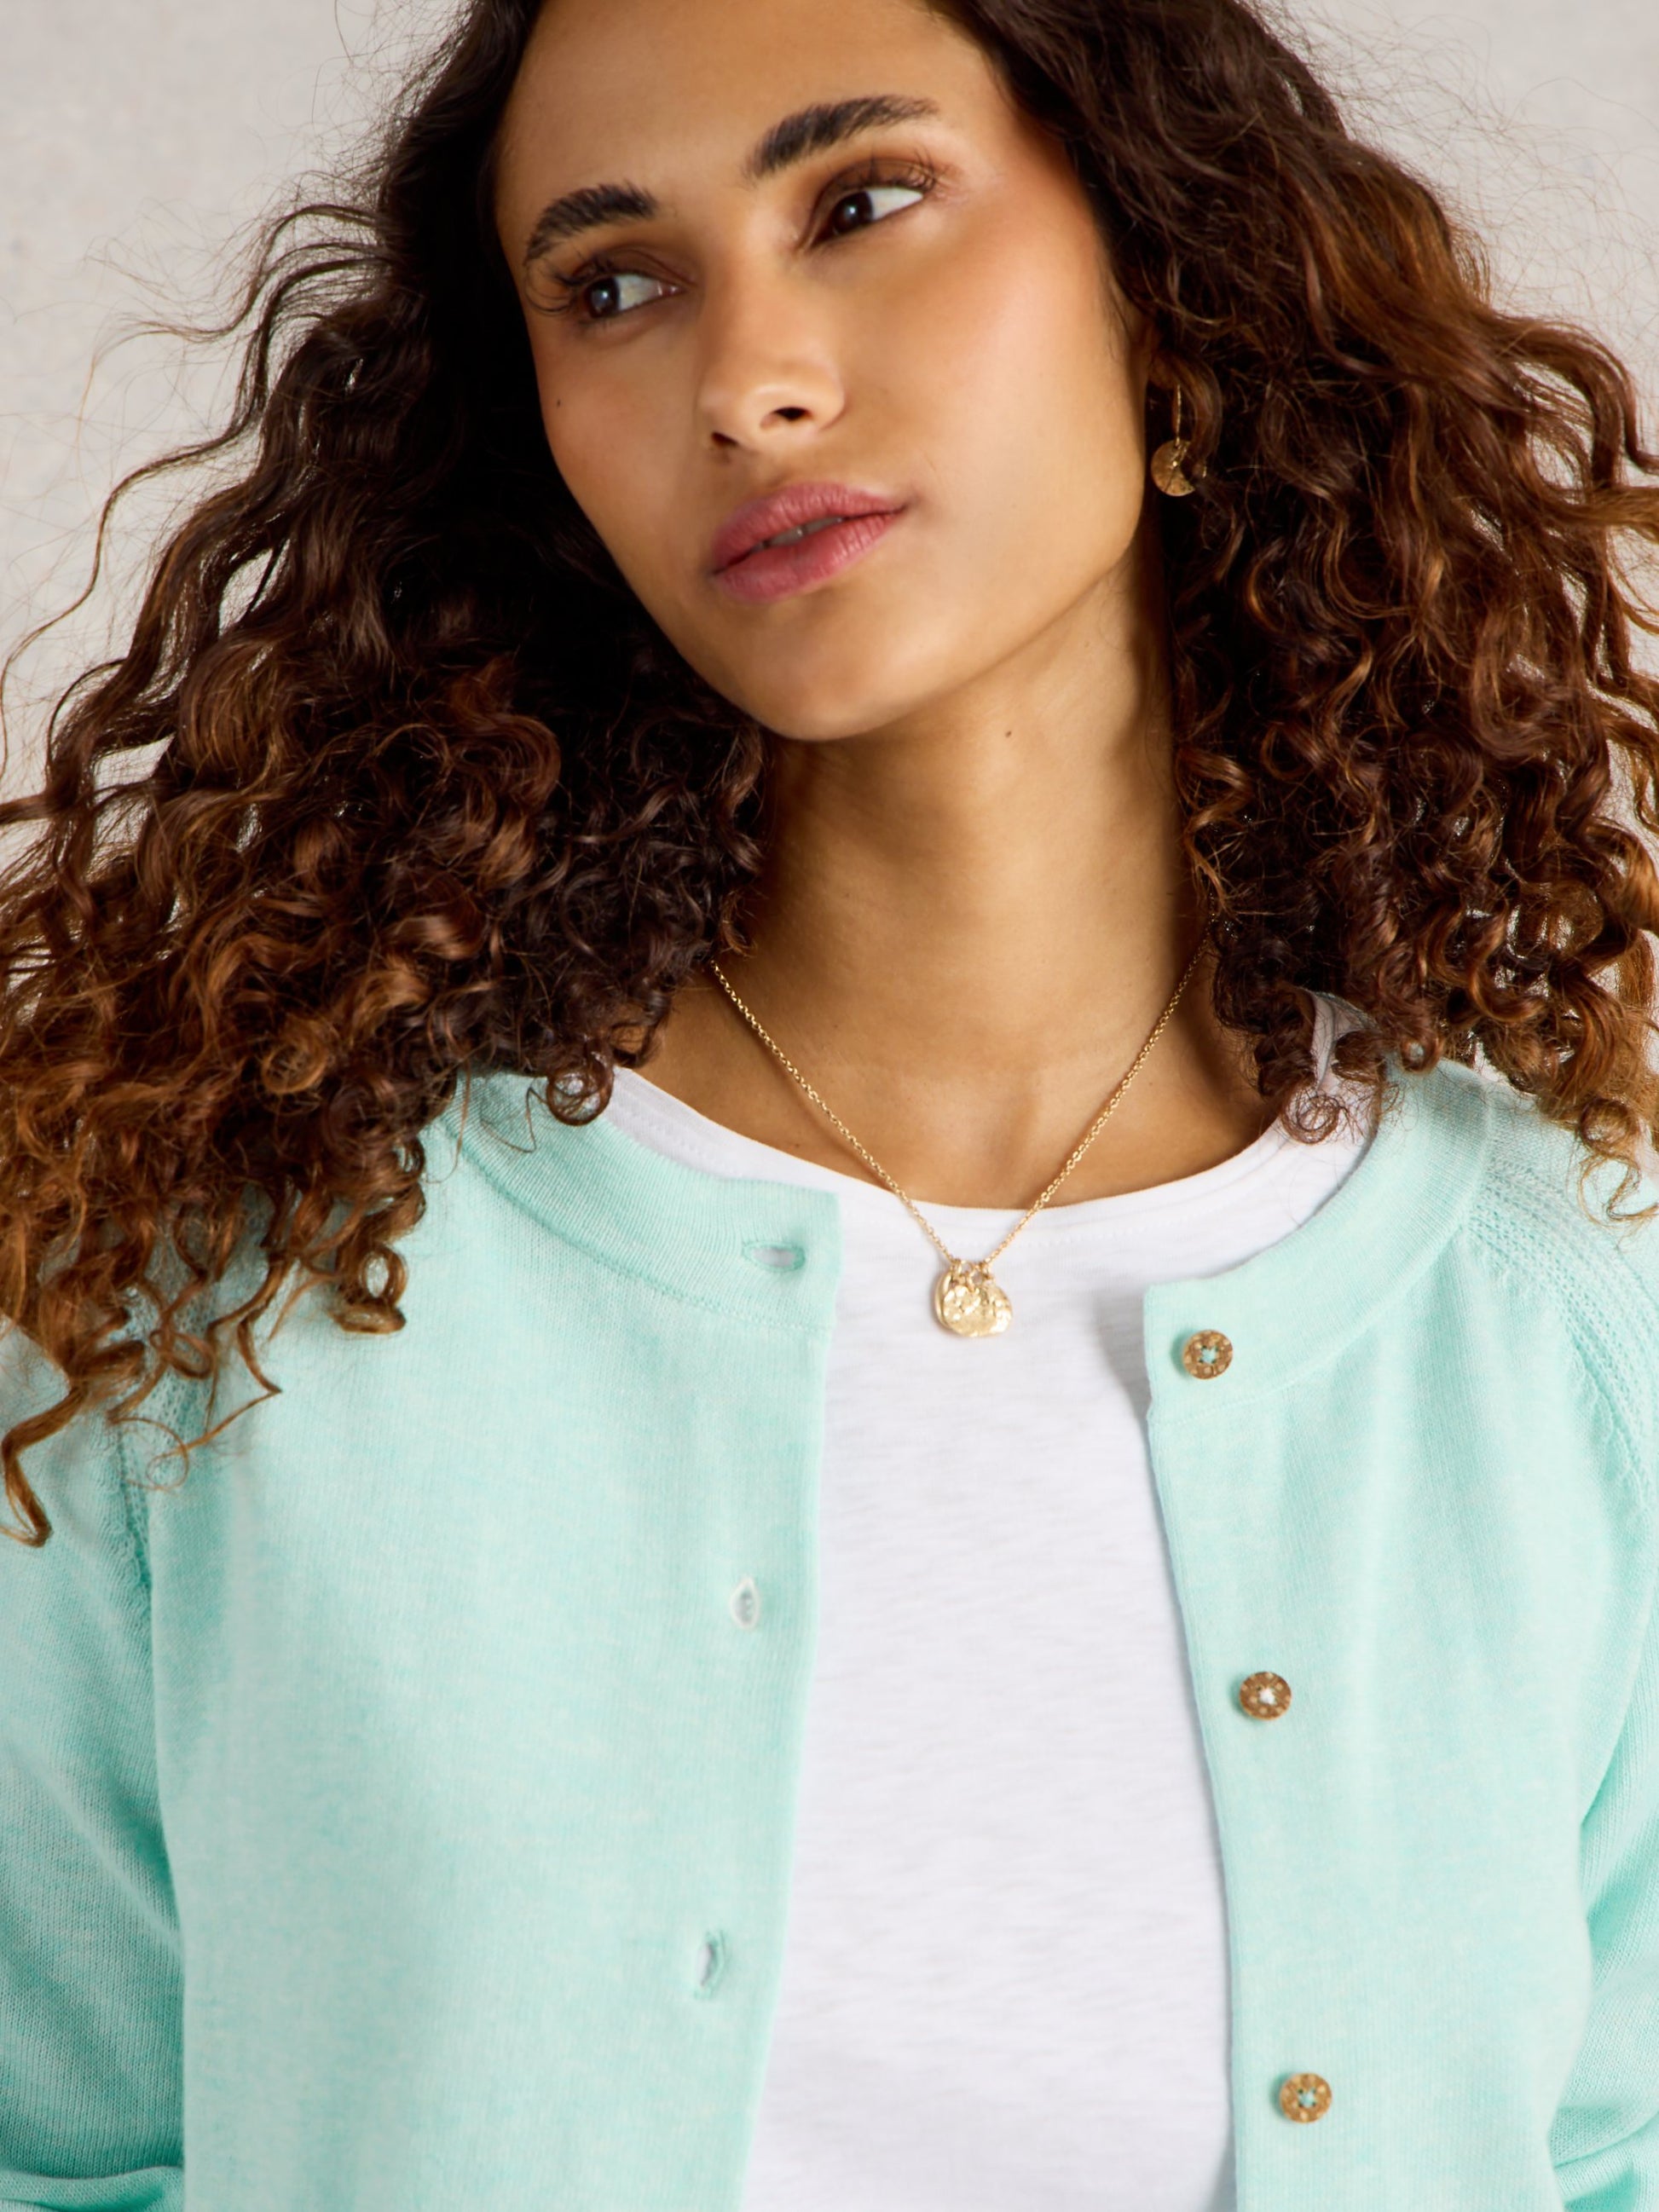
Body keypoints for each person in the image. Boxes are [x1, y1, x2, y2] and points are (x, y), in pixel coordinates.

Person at [2, 0, 1658, 2203]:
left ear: (1168, 281)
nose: (746, 380)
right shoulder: (212, 1285)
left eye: (862, 201)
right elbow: (55, 2139)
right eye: (614, 283)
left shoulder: (1556, 1318)